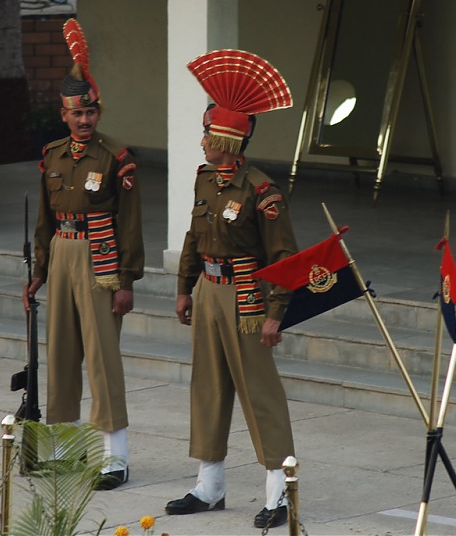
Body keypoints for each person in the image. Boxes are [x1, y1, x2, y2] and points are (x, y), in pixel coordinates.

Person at [165, 50, 298, 529]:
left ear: (225, 138)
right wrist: (184, 289)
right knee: (208, 388)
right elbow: (192, 237)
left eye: (206, 134)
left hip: (247, 296)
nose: (201, 141)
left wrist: (275, 314)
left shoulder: (263, 192)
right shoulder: (205, 180)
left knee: (260, 393)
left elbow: (284, 258)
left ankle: (280, 492)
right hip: (209, 289)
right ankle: (210, 485)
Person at [22, 18, 144, 491]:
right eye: (77, 114)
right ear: (64, 114)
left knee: (102, 359)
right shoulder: (51, 156)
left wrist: (127, 281)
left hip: (102, 261)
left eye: (91, 112)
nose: (85, 120)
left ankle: (116, 458)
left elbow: (129, 222)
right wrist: (38, 271)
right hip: (61, 253)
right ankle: (65, 450)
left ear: (99, 110)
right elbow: (45, 221)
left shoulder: (117, 159)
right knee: (62, 355)